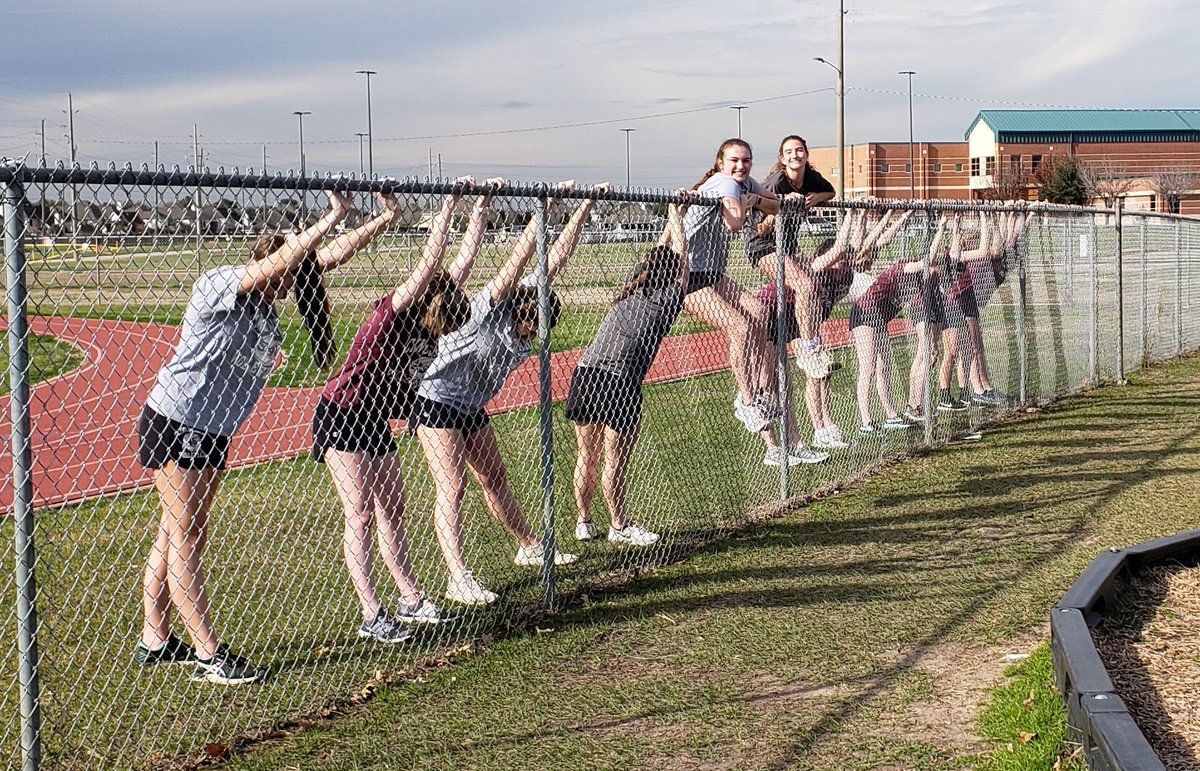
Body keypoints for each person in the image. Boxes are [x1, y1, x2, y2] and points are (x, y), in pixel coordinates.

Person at [138, 189, 374, 685]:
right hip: (177, 420)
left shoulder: (266, 311)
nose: (294, 284)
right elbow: (291, 258)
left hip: (213, 430)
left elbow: (326, 256)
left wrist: (378, 220)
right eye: (288, 273)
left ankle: (154, 637)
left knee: (175, 528)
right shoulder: (219, 285)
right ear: (268, 262)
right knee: (188, 533)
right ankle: (208, 653)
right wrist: (330, 213)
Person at [313, 177, 499, 642]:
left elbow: (464, 262)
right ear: (430, 307)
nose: (445, 335)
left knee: (393, 508)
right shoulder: (392, 314)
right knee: (358, 513)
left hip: (374, 419)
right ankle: (371, 614)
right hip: (342, 413)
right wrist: (448, 202)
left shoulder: (439, 314)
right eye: (444, 324)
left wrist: (479, 206)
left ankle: (410, 599)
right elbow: (430, 263)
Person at [412, 181, 607, 606]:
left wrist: (581, 207)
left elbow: (556, 258)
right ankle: (457, 577)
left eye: (539, 327)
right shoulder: (488, 307)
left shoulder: (530, 321)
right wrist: (543, 207)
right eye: (530, 322)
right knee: (454, 486)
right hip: (435, 398)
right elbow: (520, 258)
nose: (532, 332)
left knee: (494, 478)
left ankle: (529, 545)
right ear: (517, 309)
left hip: (471, 405)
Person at [680, 139, 781, 434]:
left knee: (760, 313)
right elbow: (734, 223)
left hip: (713, 272)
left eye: (746, 160)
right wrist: (747, 204)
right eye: (734, 160)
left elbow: (776, 205)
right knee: (740, 327)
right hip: (687, 275)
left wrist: (755, 200)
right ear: (721, 162)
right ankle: (746, 400)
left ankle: (760, 391)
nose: (740, 166)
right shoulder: (723, 182)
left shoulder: (745, 182)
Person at [744, 135, 837, 381]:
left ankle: (808, 343)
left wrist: (817, 197)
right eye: (789, 152)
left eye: (799, 151)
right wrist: (781, 205)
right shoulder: (777, 183)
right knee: (805, 286)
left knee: (812, 289)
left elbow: (832, 191)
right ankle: (809, 350)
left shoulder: (811, 177)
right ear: (782, 158)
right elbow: (760, 228)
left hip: (788, 247)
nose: (795, 155)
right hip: (763, 245)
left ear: (806, 154)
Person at [846, 208, 929, 434]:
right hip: (863, 314)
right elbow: (873, 240)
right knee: (869, 368)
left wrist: (899, 216)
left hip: (878, 317)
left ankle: (891, 415)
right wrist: (862, 216)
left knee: (884, 367)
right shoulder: (853, 268)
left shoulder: (909, 283)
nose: (870, 258)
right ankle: (866, 422)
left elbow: (881, 240)